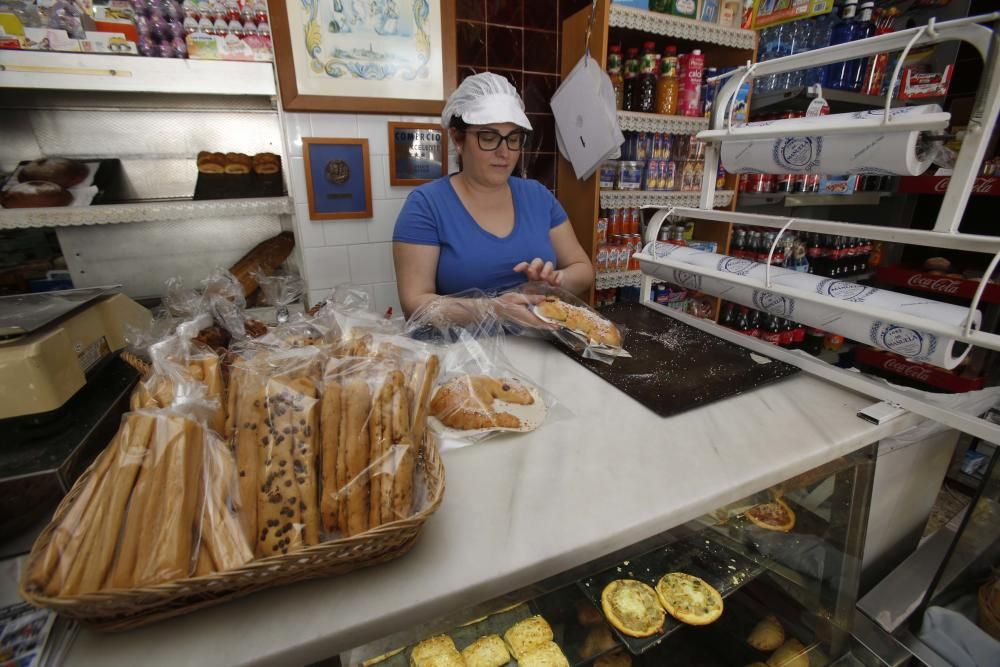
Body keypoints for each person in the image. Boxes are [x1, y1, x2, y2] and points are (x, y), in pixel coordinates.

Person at [393, 73, 593, 323]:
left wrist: (555, 283)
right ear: (457, 138)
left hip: (541, 347)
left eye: (513, 139)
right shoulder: (426, 205)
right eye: (488, 138)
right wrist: (493, 310)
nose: (504, 152)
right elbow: (415, 305)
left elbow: (583, 270)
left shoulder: (538, 197)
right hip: (461, 356)